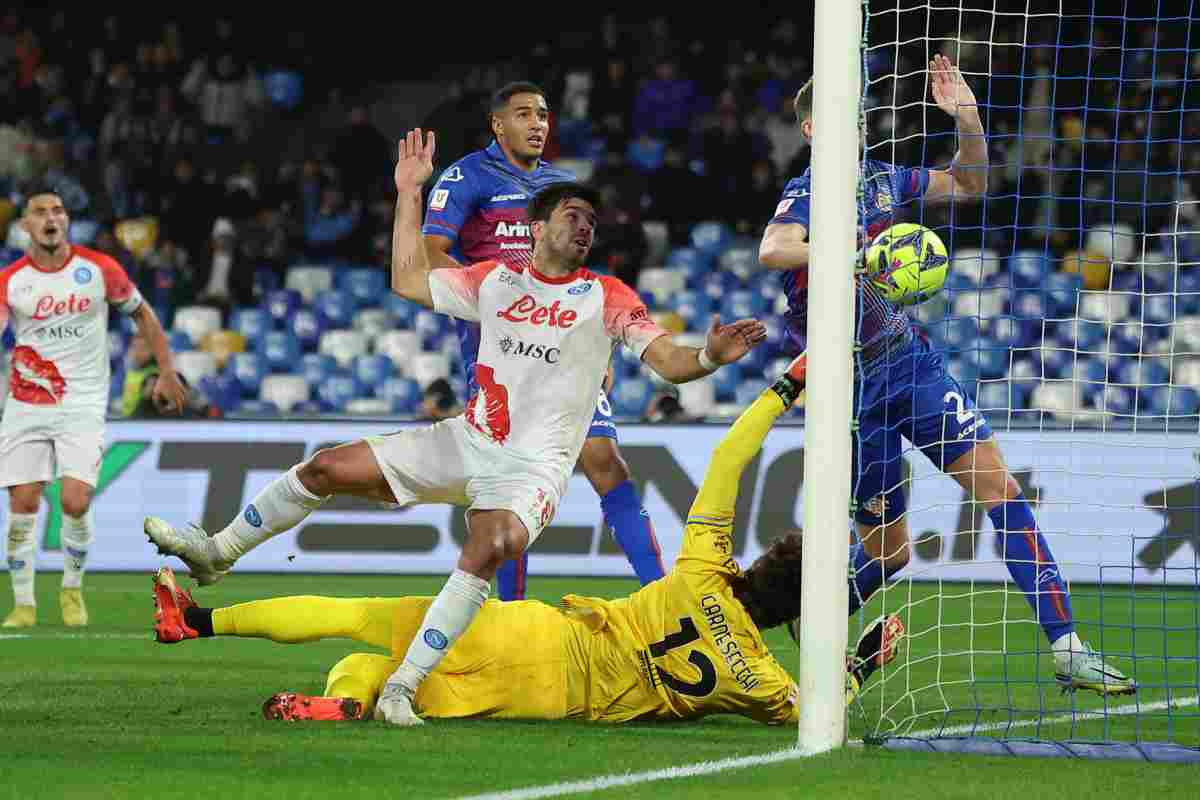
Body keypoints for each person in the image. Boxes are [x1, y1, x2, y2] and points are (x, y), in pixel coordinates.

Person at [145, 129, 768, 727]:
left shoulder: (606, 295)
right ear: (538, 225)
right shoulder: (495, 281)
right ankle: (217, 553)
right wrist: (409, 193)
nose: (585, 228)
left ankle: (402, 688)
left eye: (591, 223)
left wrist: (709, 357)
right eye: (574, 216)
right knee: (326, 466)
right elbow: (407, 280)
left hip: (534, 470)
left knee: (489, 544)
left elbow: (669, 361)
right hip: (469, 441)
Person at [149, 359, 906, 725]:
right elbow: (816, 707)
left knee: (357, 620)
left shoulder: (704, 570)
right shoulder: (760, 679)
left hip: (536, 630)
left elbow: (728, 459)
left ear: (763, 562)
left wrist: (786, 387)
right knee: (368, 672)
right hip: (553, 697)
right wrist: (863, 661)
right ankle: (337, 705)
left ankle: (200, 620)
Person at [757, 56, 1135, 696]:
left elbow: (969, 183)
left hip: (909, 363)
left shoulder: (883, 181)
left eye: (860, 112)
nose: (857, 123)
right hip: (848, 389)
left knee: (1001, 488)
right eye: (840, 115)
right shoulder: (810, 191)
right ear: (815, 130)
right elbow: (774, 248)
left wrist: (967, 118)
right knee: (891, 554)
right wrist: (858, 254)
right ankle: (783, 628)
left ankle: (1068, 648)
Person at [422, 81, 669, 601]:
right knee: (512, 481)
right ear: (497, 123)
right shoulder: (466, 176)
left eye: (543, 115)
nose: (538, 124)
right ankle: (512, 613)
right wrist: (495, 300)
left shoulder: (562, 187)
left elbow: (580, 270)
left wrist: (595, 341)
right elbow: (430, 256)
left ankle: (661, 597)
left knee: (604, 459)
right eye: (524, 114)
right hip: (499, 351)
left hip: (564, 339)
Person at [0, 187, 186, 629]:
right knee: (23, 501)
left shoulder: (98, 269)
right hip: (26, 402)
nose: (51, 218)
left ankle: (71, 587)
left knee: (75, 500)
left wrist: (167, 369)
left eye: (58, 210)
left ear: (67, 221)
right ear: (26, 225)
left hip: (82, 401)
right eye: (41, 212)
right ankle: (23, 603)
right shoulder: (11, 280)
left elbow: (143, 316)